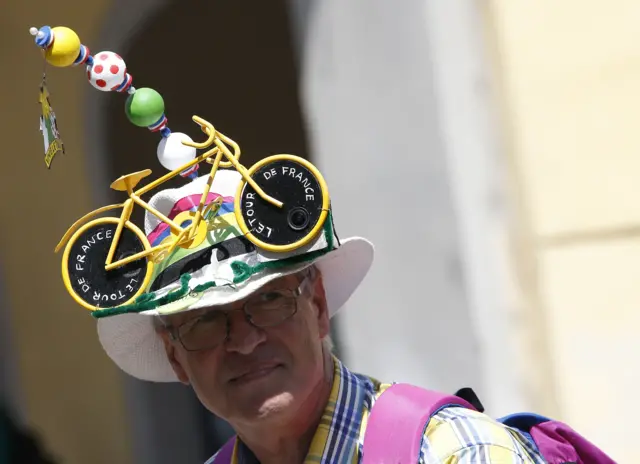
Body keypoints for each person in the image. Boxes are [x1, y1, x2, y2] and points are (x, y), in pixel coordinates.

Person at [81, 158, 546, 464]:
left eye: (268, 300)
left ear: (318, 304)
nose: (243, 339)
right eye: (205, 320)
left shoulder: (455, 453)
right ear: (176, 356)